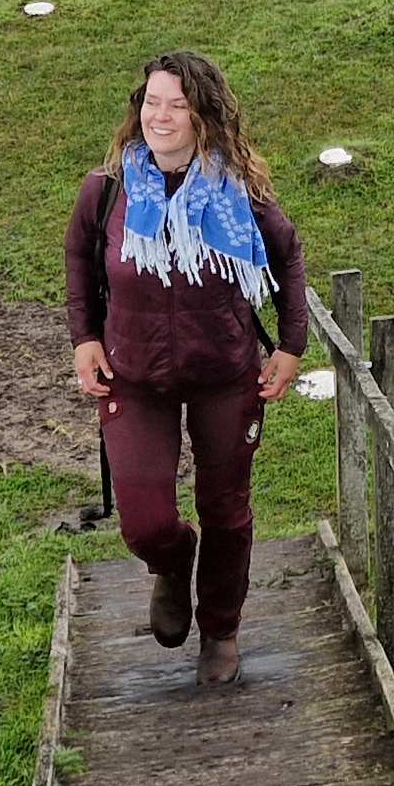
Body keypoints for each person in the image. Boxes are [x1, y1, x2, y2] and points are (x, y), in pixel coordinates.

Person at [65, 50, 309, 687]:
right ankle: (173, 564)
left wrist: (290, 346)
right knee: (144, 522)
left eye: (177, 104)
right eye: (152, 102)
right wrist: (84, 336)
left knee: (226, 508)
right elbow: (79, 261)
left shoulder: (240, 196)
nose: (161, 116)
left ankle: (221, 631)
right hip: (133, 374)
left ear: (203, 117)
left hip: (225, 375)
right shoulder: (109, 189)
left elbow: (286, 258)